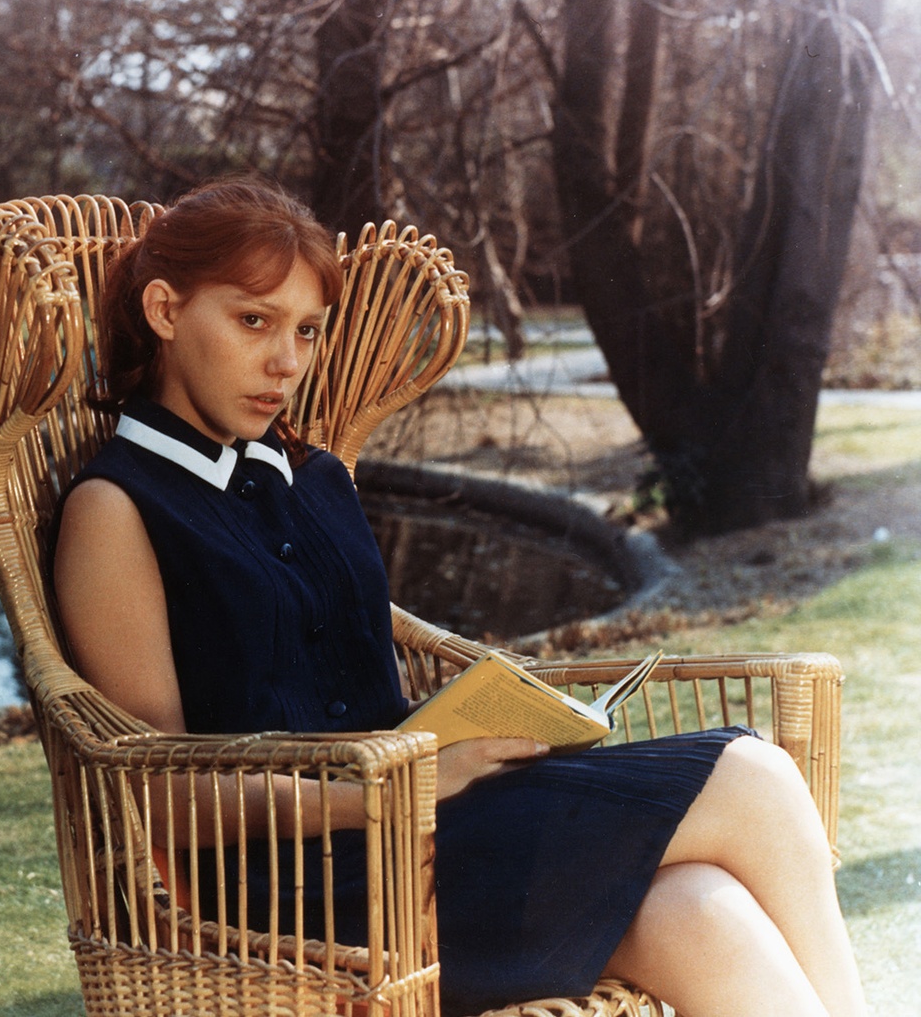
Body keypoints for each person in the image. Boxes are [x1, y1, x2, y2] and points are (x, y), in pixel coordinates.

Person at [53, 176, 867, 1017]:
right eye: (253, 320)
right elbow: (160, 796)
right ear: (162, 310)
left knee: (702, 912)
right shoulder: (115, 509)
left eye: (305, 330)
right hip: (305, 888)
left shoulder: (315, 479)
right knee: (754, 779)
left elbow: (353, 687)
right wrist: (410, 780)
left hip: (426, 829)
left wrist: (471, 729)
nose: (285, 361)